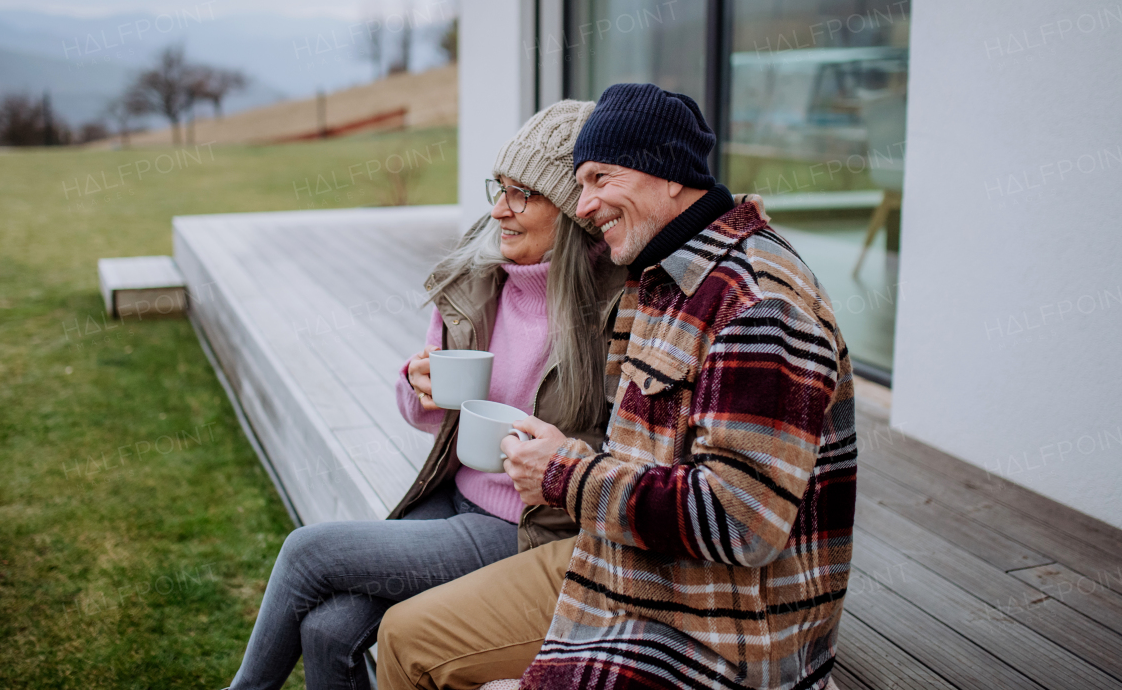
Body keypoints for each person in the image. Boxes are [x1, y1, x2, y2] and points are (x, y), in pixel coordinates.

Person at [377, 83, 856, 690]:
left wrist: (566, 475)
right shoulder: (664, 276)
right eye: (580, 184)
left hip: (717, 619)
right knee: (401, 630)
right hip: (631, 556)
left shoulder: (757, 305)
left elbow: (743, 522)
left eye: (601, 179)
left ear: (670, 175)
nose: (583, 206)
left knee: (411, 642)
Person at [223, 99, 626, 690]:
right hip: (454, 495)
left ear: (570, 211)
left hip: (526, 527)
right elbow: (422, 408)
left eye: (523, 195)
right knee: (328, 631)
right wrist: (419, 390)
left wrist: (562, 454)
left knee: (307, 552)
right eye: (500, 188)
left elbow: (626, 444)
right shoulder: (479, 281)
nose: (499, 209)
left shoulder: (614, 310)